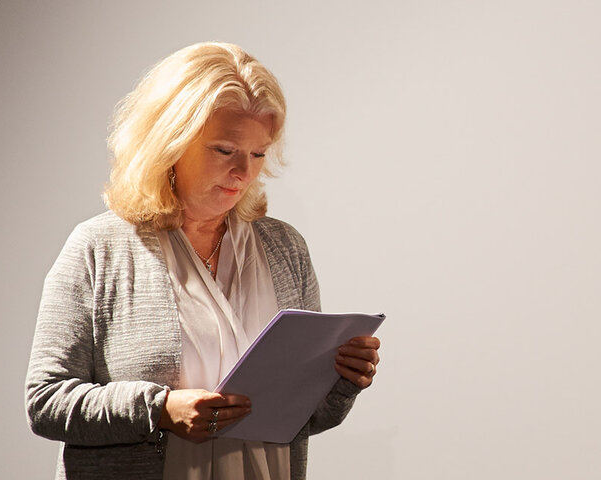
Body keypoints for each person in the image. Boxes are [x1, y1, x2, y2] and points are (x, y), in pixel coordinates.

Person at [25, 42, 382, 480]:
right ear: (169, 141)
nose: (244, 173)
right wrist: (159, 410)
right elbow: (45, 402)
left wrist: (343, 380)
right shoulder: (99, 248)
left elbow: (300, 421)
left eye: (257, 154)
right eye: (224, 150)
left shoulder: (285, 248)